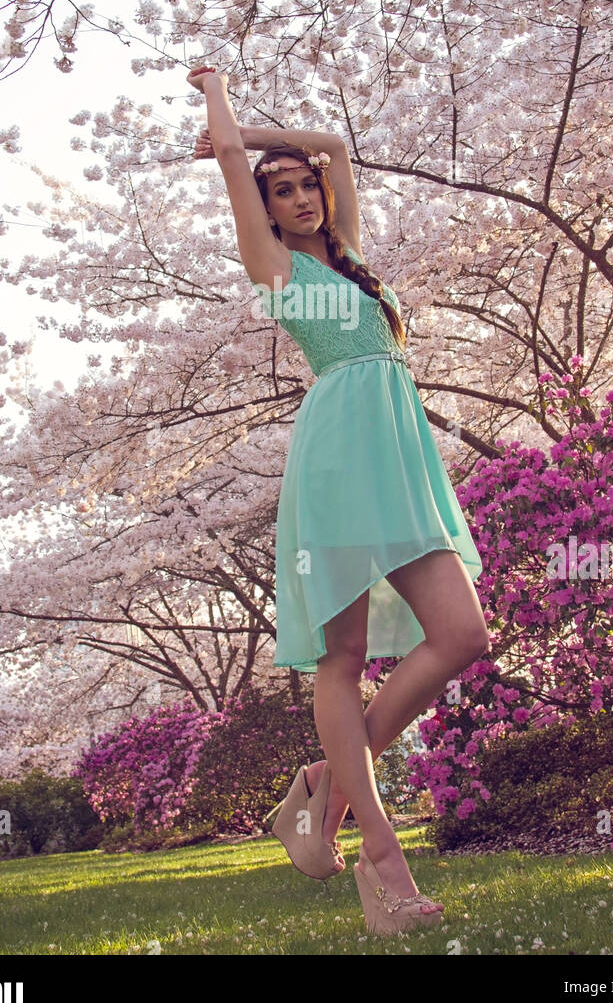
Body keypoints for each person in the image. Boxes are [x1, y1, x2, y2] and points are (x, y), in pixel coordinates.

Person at [188, 64, 490, 936]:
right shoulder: (271, 266)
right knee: (343, 658)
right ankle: (383, 868)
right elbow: (239, 169)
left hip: (401, 459)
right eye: (277, 191)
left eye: (303, 184)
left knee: (463, 636)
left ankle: (325, 783)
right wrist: (220, 104)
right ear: (266, 209)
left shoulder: (353, 260)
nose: (298, 194)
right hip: (336, 466)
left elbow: (339, 149)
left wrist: (283, 140)